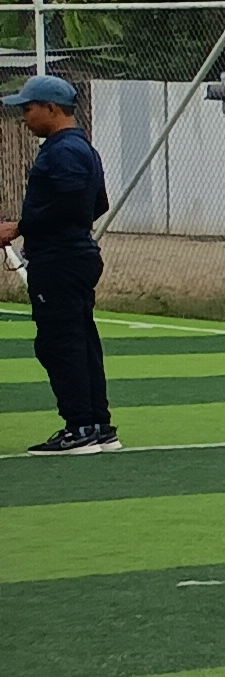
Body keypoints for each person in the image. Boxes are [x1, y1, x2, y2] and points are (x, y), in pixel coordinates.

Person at [7, 73, 116, 454]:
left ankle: (80, 428)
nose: (24, 117)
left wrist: (20, 227)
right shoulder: (80, 147)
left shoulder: (62, 151)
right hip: (73, 255)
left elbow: (70, 205)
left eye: (28, 109)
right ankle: (98, 426)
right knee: (80, 340)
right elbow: (96, 204)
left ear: (51, 109)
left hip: (60, 259)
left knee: (59, 344)